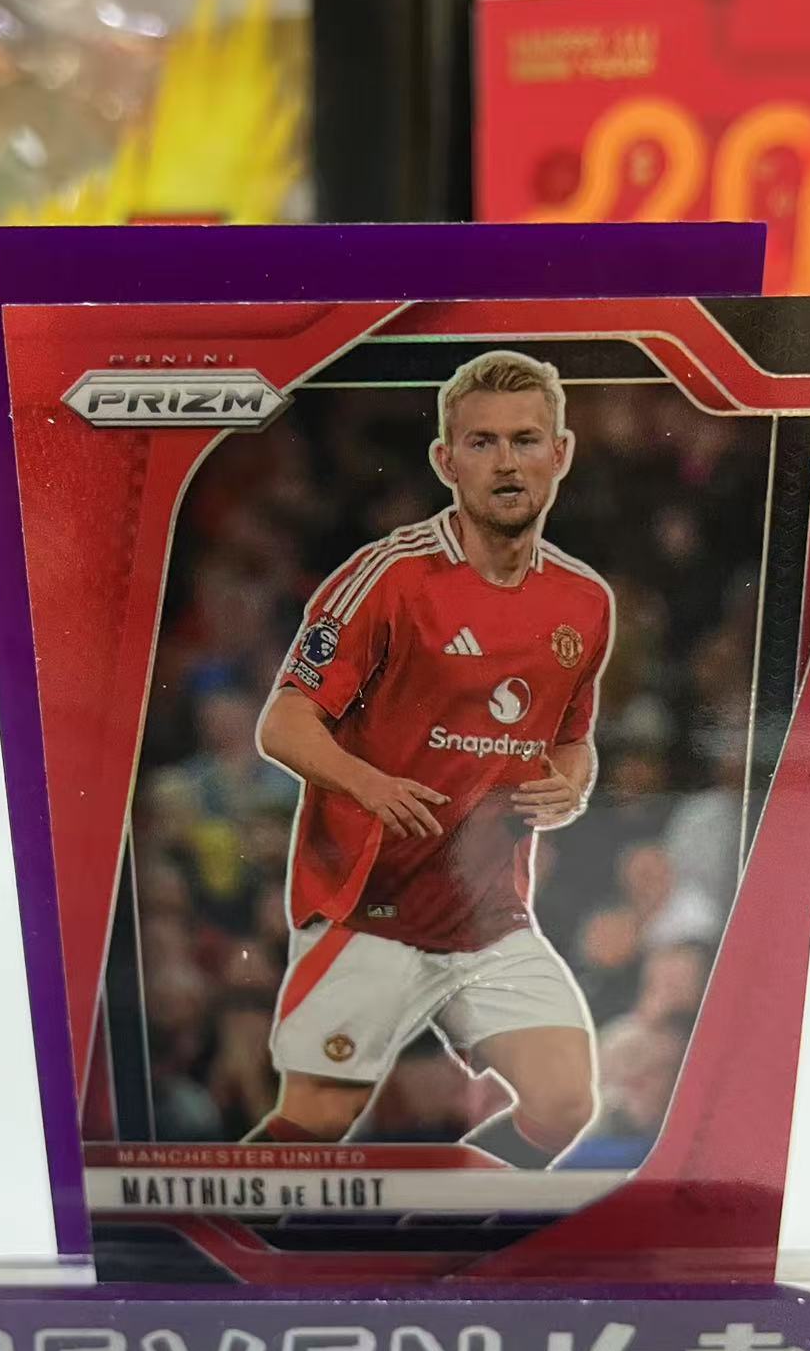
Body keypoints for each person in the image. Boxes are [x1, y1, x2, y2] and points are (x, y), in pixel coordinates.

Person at [246, 350, 615, 1168]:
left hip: (487, 917)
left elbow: (572, 737)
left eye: (526, 440)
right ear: (446, 462)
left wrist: (573, 782)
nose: (507, 462)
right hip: (367, 905)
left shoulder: (585, 601)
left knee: (564, 1102)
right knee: (316, 1119)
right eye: (482, 443)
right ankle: (219, 1233)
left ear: (561, 453)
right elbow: (283, 722)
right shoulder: (389, 576)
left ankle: (445, 1217)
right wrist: (368, 783)